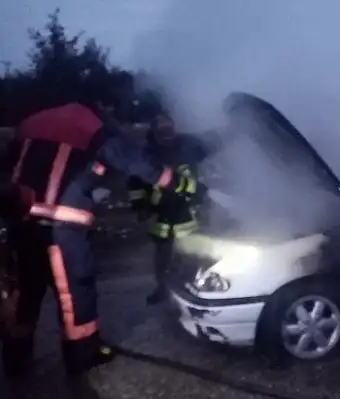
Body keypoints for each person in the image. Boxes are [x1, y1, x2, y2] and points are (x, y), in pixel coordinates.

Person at [0, 73, 205, 377]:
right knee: (74, 290)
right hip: (61, 226)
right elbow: (133, 161)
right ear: (103, 103)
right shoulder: (89, 124)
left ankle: (16, 355)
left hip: (21, 221)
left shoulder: (32, 122)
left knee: (27, 290)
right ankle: (82, 353)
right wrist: (178, 184)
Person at [127, 114, 208, 305]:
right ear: (154, 132)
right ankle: (163, 290)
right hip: (160, 213)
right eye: (162, 130)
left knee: (190, 255)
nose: (167, 134)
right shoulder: (147, 154)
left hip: (185, 212)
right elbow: (135, 184)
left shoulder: (187, 147)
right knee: (162, 256)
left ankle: (189, 291)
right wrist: (140, 206)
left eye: (169, 129)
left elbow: (206, 154)